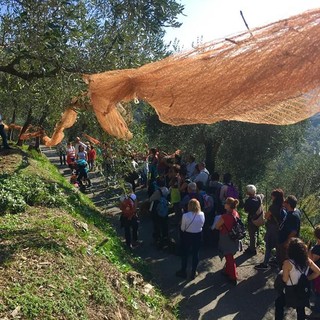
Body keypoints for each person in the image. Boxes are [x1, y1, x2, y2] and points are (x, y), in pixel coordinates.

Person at [275, 238, 320, 320]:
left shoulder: (287, 263)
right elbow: (318, 272)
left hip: (290, 291)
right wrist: (307, 278)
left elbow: (285, 279)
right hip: (302, 289)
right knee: (301, 310)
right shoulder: (307, 260)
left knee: (279, 303)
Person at [176, 199, 205, 280]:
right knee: (196, 254)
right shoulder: (202, 214)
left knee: (185, 254)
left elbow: (182, 228)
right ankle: (193, 272)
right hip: (198, 235)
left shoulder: (185, 215)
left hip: (187, 236)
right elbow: (202, 224)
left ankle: (183, 271)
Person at [255, 189, 284, 270]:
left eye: (272, 196)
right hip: (280, 228)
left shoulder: (273, 207)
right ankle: (277, 261)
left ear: (275, 197)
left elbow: (266, 216)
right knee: (277, 246)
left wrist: (269, 215)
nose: (271, 197)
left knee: (268, 246)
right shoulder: (283, 206)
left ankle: (265, 264)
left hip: (272, 228)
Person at [215, 197, 240, 285]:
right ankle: (227, 271)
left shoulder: (225, 216)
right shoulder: (235, 213)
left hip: (226, 237)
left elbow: (217, 226)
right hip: (234, 237)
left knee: (229, 257)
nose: (224, 204)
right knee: (229, 255)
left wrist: (221, 227)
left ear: (229, 205)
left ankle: (233, 276)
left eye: (225, 203)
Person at [277, 195, 301, 268]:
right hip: (283, 239)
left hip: (286, 242)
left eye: (285, 202)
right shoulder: (294, 211)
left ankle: (283, 276)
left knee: (284, 261)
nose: (283, 202)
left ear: (289, 204)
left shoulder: (293, 216)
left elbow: (294, 232)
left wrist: (286, 242)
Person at [149, 178, 170, 248]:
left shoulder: (158, 191)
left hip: (158, 210)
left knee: (157, 224)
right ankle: (165, 237)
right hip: (165, 208)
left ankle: (158, 239)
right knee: (165, 223)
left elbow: (151, 199)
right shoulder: (167, 189)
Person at [244, 184, 264, 255]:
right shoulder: (259, 198)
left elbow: (246, 210)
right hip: (258, 218)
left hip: (251, 219)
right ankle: (253, 247)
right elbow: (262, 195)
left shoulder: (248, 201)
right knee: (255, 233)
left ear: (248, 193)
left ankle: (252, 250)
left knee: (252, 235)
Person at [119, 183, 139, 249]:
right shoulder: (133, 196)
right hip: (133, 215)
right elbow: (135, 207)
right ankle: (134, 241)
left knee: (127, 230)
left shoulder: (122, 197)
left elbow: (121, 208)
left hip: (125, 216)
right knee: (134, 228)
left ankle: (128, 244)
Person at [309, 225, 320, 318]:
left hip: (317, 274)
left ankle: (317, 310)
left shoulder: (317, 248)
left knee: (317, 293)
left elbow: (311, 260)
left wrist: (309, 250)